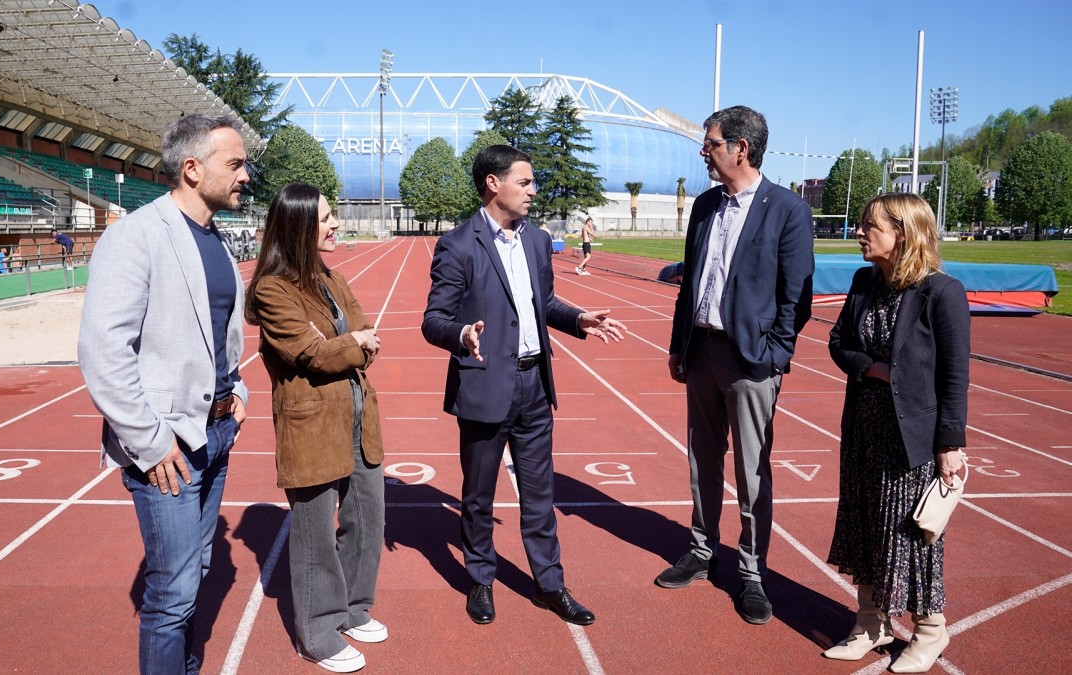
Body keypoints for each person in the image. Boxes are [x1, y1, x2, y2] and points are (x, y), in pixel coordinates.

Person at [422, 144, 628, 627]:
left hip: (535, 384)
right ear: (494, 184)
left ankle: (549, 585)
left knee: (540, 494)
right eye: (525, 181)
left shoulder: (537, 241)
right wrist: (461, 335)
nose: (534, 190)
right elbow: (433, 320)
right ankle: (481, 579)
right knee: (478, 496)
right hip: (484, 385)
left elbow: (545, 303)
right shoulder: (457, 245)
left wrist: (578, 319)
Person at [77, 113, 251, 675]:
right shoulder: (137, 235)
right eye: (236, 164)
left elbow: (221, 335)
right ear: (193, 169)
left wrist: (238, 390)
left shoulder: (217, 243)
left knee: (194, 577)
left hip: (216, 433)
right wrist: (150, 443)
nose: (246, 174)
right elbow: (104, 352)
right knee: (172, 594)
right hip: (168, 447)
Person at [655, 105, 814, 625]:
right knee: (703, 461)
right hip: (701, 351)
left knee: (751, 471)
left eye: (711, 142)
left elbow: (798, 297)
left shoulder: (787, 209)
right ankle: (703, 550)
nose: (704, 149)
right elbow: (692, 282)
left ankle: (751, 571)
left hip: (752, 361)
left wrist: (776, 355)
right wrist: (680, 345)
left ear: (740, 148)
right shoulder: (704, 206)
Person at [824, 193, 969, 673]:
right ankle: (871, 623)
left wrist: (950, 445)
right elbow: (839, 342)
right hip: (864, 428)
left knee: (910, 535)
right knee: (865, 524)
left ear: (903, 233)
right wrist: (873, 369)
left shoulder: (941, 292)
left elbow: (954, 376)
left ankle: (930, 630)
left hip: (914, 438)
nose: (859, 233)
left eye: (870, 226)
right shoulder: (864, 281)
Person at [245, 184, 386, 674]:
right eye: (327, 217)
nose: (336, 223)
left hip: (355, 415)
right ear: (301, 226)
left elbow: (364, 329)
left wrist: (351, 340)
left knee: (366, 519)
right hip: (310, 426)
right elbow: (315, 355)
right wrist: (354, 342)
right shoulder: (272, 290)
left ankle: (352, 609)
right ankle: (319, 634)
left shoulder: (329, 275)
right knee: (314, 539)